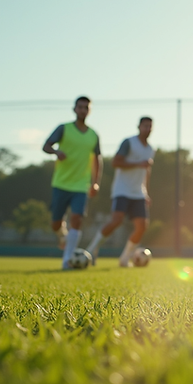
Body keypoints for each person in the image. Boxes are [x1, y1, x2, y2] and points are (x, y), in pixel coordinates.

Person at [42, 96, 102, 270]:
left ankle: (67, 259)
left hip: (80, 186)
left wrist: (95, 182)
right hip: (61, 184)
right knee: (56, 223)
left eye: (86, 107)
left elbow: (98, 160)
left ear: (89, 111)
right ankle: (62, 236)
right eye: (80, 107)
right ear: (74, 109)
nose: (83, 110)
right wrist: (56, 151)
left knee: (77, 218)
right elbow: (45, 146)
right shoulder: (64, 129)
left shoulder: (93, 135)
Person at [93, 117, 155, 267]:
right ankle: (93, 248)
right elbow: (116, 162)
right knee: (117, 220)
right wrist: (137, 164)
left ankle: (125, 258)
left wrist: (145, 192)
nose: (147, 129)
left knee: (142, 226)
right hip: (122, 189)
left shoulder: (150, 149)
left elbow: (146, 171)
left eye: (150, 127)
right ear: (139, 127)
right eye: (145, 126)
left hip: (138, 192)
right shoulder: (128, 142)